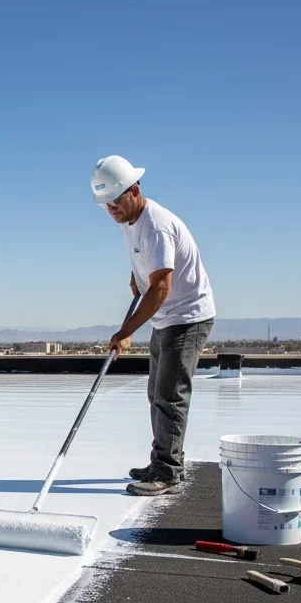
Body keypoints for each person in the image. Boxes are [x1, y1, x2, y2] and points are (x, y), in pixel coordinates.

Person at [91, 155, 216, 496]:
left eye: (115, 200)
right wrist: (137, 277)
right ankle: (165, 458)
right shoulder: (130, 221)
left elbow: (162, 285)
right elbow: (147, 268)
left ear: (133, 190)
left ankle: (167, 472)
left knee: (170, 394)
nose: (110, 209)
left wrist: (126, 331)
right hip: (167, 315)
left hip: (187, 316)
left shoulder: (156, 225)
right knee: (157, 392)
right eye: (105, 204)